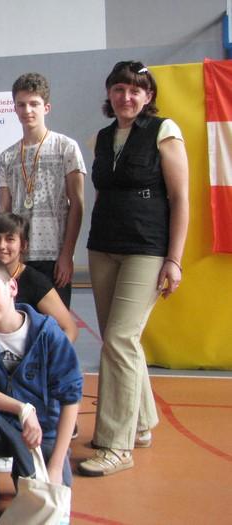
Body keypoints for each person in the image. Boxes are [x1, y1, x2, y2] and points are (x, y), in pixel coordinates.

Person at [79, 61, 189, 477]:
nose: (126, 97)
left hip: (147, 248)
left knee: (120, 339)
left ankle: (115, 445)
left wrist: (174, 259)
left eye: (135, 90)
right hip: (104, 248)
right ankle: (140, 424)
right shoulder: (101, 139)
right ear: (109, 94)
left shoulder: (164, 131)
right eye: (119, 89)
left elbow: (180, 199)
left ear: (148, 96)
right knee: (120, 340)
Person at [0, 256, 82, 525]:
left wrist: (56, 466)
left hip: (40, 433)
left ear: (12, 288)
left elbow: (71, 398)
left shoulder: (48, 333)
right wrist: (21, 408)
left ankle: (26, 471)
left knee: (50, 502)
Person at [0, 72, 86, 308]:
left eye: (34, 104)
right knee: (19, 320)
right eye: (21, 104)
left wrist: (67, 254)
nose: (27, 110)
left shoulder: (66, 148)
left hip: (54, 256)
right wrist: (2, 252)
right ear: (14, 108)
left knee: (55, 323)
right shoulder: (7, 157)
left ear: (46, 107)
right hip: (19, 255)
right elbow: (4, 209)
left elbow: (77, 205)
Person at [0, 213, 78, 343]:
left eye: (10, 239)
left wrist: (51, 354)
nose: (1, 245)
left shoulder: (35, 282)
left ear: (23, 245)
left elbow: (70, 329)